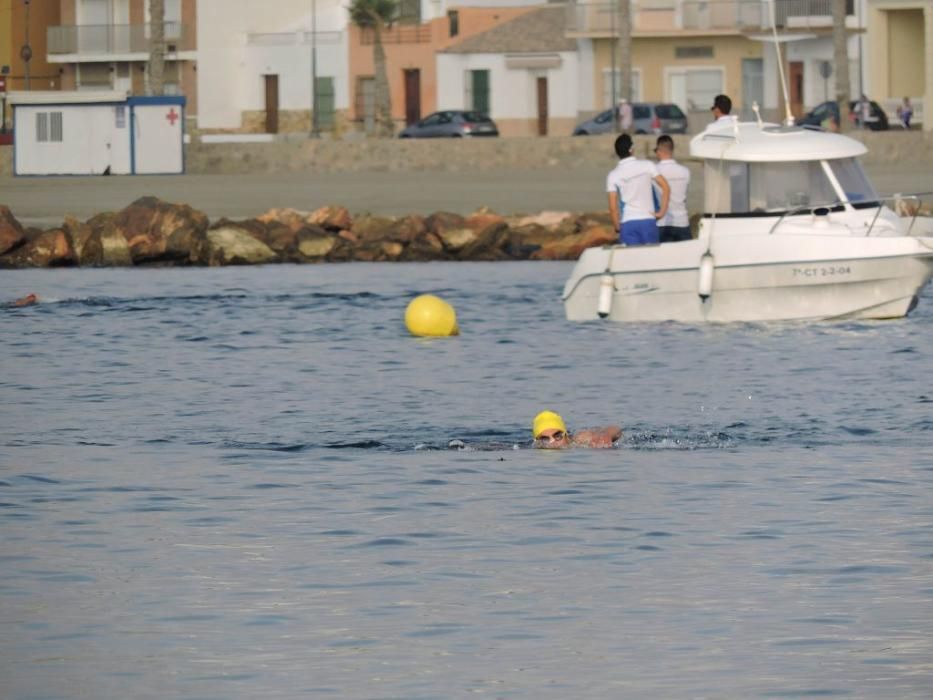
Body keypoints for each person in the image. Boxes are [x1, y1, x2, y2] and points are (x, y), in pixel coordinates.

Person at [607, 133, 670, 246]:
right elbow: (665, 186)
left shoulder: (613, 175)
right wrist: (662, 212)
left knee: (630, 261)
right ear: (631, 149)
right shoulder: (647, 165)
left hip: (628, 222)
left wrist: (617, 226)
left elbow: (613, 207)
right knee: (651, 259)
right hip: (648, 220)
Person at [653, 135, 691, 243]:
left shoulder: (654, 171)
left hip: (663, 222)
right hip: (682, 221)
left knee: (662, 258)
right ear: (672, 150)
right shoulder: (685, 171)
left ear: (659, 150)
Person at [532, 410, 622, 450]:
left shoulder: (578, 440)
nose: (553, 442)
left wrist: (606, 435)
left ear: (566, 435)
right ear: (537, 442)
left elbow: (615, 429)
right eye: (545, 439)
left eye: (558, 435)